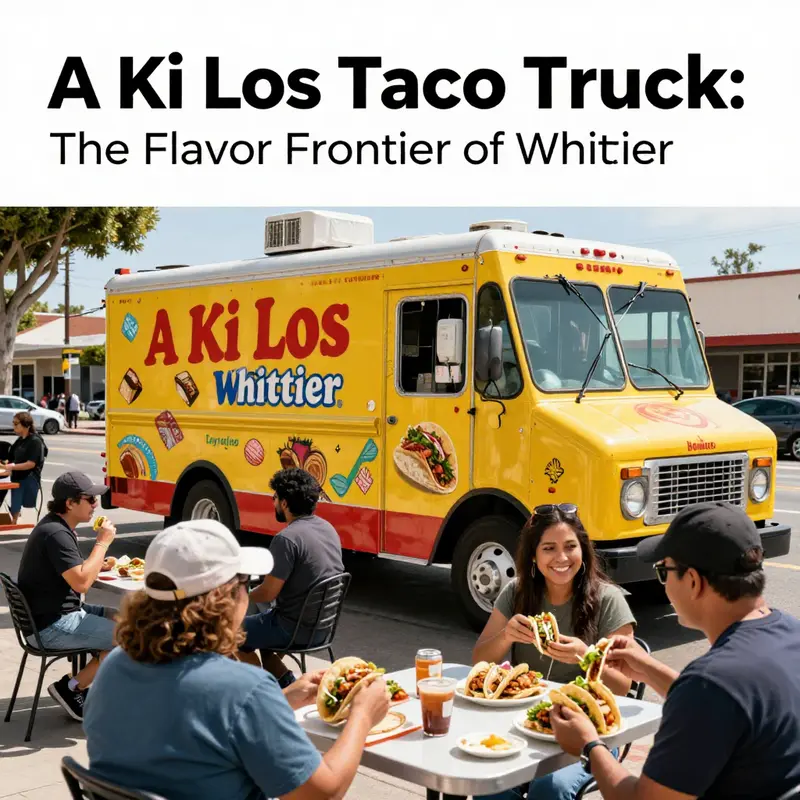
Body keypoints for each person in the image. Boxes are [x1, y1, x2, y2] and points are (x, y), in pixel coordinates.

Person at [83, 519, 389, 800]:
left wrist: (280, 701)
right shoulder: (244, 689)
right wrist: (362, 714)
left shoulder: (113, 666)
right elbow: (324, 793)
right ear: (226, 597)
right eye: (246, 581)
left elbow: (198, 726)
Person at [550, 502, 800, 800]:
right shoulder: (789, 632)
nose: (664, 584)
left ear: (693, 581)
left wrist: (589, 745)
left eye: (664, 572)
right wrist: (647, 668)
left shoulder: (710, 684)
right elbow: (728, 704)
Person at [473, 503, 636, 800]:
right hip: (526, 722)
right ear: (533, 555)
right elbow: (479, 661)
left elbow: (623, 686)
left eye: (570, 547)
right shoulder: (516, 592)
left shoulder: (609, 600)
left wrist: (586, 657)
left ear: (583, 552)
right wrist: (506, 635)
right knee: (489, 785)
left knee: (550, 788)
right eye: (549, 548)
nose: (561, 558)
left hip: (591, 729)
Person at [16, 471, 117, 721]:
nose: (95, 505)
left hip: (54, 614)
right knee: (133, 637)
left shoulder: (56, 526)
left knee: (126, 618)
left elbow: (73, 571)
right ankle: (71, 688)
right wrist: (102, 544)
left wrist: (96, 565)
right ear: (70, 503)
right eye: (90, 499)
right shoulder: (57, 534)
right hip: (52, 625)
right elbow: (82, 583)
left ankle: (92, 681)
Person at [239, 467, 345, 687]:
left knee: (229, 632)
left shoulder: (286, 539)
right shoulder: (328, 528)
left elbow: (268, 592)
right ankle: (287, 683)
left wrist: (240, 595)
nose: (274, 503)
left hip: (293, 630)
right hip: (323, 629)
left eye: (275, 497)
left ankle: (258, 691)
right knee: (262, 626)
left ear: (285, 503)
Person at [0, 412, 47, 524]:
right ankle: (14, 517)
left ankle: (14, 518)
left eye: (16, 424)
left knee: (18, 497)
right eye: (13, 423)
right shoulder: (20, 440)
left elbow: (31, 464)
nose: (14, 426)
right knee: (14, 497)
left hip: (29, 477)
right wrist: (6, 464)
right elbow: (10, 459)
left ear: (26, 425)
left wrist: (10, 466)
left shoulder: (35, 441)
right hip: (17, 476)